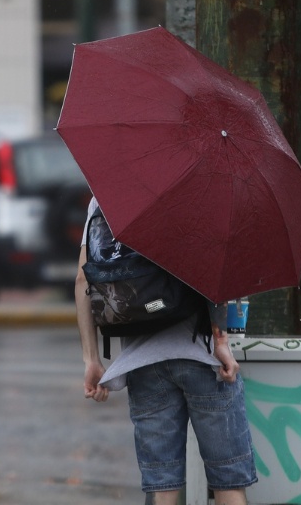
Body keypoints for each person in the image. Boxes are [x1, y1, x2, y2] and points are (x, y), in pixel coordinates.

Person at [76, 197, 257, 504]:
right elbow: (216, 271)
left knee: (163, 486)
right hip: (202, 357)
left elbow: (84, 280)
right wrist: (222, 342)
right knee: (228, 481)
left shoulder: (103, 197)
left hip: (143, 363)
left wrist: (91, 359)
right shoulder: (196, 186)